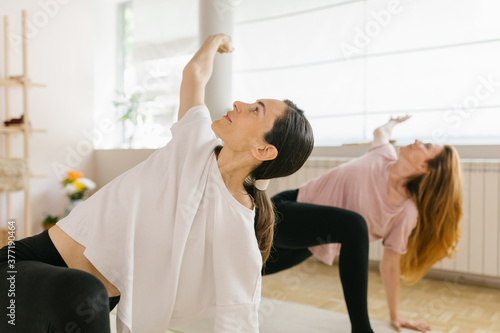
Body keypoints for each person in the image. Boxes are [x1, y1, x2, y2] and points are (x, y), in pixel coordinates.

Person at [0, 34, 314, 333]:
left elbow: (240, 317)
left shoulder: (238, 226)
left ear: (263, 150)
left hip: (77, 306)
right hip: (19, 269)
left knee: (87, 296)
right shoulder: (195, 142)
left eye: (254, 110)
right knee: (85, 293)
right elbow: (194, 73)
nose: (238, 103)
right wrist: (216, 40)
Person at [263, 116, 463, 333]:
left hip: (307, 246)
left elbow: (390, 265)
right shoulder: (383, 155)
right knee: (355, 225)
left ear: (426, 167)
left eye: (425, 146)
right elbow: (381, 132)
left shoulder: (405, 212)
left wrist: (395, 315)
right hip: (285, 211)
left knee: (249, 268)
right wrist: (393, 123)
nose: (416, 141)